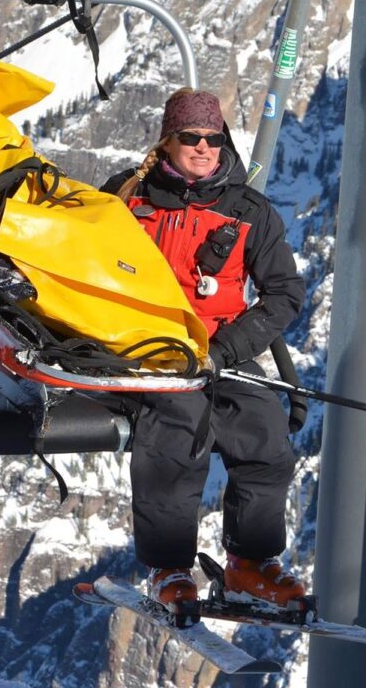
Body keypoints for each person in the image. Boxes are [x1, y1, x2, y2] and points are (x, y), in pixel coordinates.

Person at [101, 87, 308, 615]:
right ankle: (169, 567)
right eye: (190, 138)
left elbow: (284, 293)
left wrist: (226, 350)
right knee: (178, 430)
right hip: (147, 355)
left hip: (222, 354)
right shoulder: (126, 199)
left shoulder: (248, 212)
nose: (202, 148)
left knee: (263, 429)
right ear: (168, 142)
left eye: (212, 138)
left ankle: (249, 565)